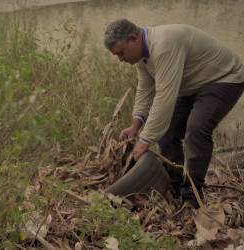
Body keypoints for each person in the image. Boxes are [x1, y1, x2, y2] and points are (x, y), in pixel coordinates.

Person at [104, 19, 244, 208]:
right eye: (117, 55)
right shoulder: (142, 57)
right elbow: (145, 90)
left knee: (196, 129)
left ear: (134, 38)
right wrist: (136, 125)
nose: (121, 59)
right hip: (191, 85)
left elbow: (164, 97)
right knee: (167, 132)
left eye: (121, 53)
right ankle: (175, 188)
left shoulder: (163, 45)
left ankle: (192, 195)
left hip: (224, 77)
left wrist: (144, 141)